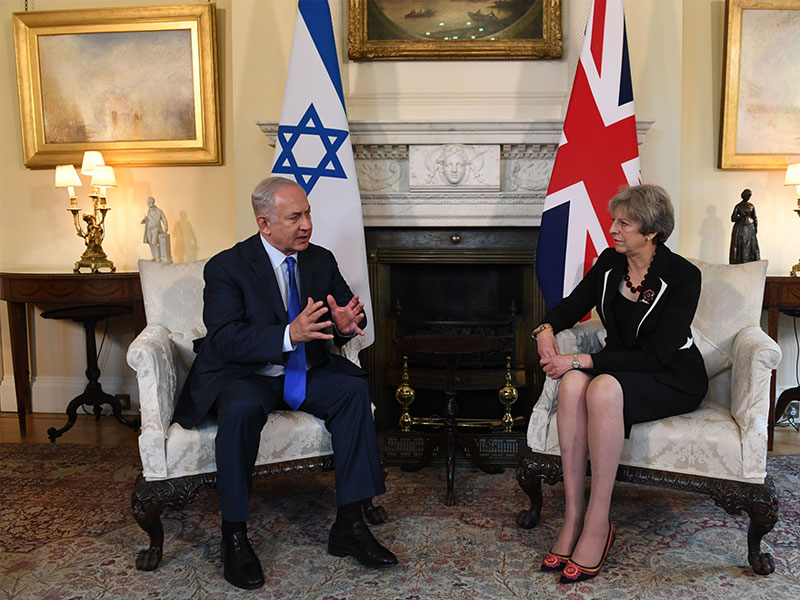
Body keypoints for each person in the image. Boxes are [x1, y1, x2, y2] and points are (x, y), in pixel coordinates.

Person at [175, 176, 397, 590]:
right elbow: (223, 338)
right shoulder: (227, 267)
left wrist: (350, 325)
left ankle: (350, 525)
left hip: (305, 372)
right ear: (265, 223)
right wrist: (286, 335)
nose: (307, 225)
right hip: (245, 374)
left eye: (308, 213)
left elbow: (344, 315)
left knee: (352, 390)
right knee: (239, 409)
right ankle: (235, 536)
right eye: (295, 217)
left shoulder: (320, 260)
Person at [530, 184, 708, 583]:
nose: (612, 229)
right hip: (622, 367)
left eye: (624, 223)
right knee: (574, 384)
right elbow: (571, 307)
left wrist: (579, 358)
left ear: (651, 232)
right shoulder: (611, 263)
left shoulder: (683, 277)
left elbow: (657, 356)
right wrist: (544, 330)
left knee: (599, 385)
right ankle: (573, 517)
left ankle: (598, 522)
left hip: (672, 376)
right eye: (614, 220)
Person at [729, 188, 760, 264]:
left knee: (750, 247)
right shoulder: (738, 206)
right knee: (740, 246)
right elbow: (733, 218)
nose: (748, 197)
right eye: (746, 195)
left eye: (749, 195)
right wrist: (740, 217)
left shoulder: (751, 206)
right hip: (740, 229)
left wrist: (755, 228)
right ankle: (739, 261)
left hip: (750, 229)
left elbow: (754, 217)